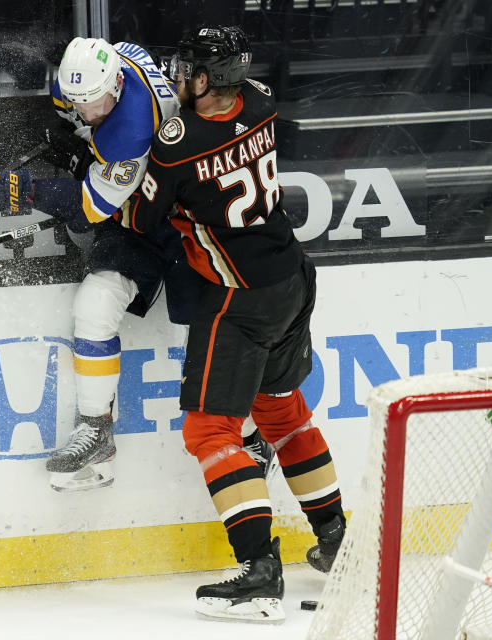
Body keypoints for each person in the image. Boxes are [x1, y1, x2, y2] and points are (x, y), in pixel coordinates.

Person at [0, 36, 276, 492]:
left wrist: (20, 189)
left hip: (188, 220)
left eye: (92, 105)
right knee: (94, 303)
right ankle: (95, 431)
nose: (84, 111)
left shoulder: (130, 133)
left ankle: (251, 436)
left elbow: (89, 208)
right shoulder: (112, 62)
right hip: (142, 210)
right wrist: (72, 134)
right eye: (77, 101)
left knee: (207, 337)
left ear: (114, 85)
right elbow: (72, 112)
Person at [127, 26, 346, 622]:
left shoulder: (177, 143)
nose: (180, 75)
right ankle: (336, 543)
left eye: (188, 68)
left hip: (240, 298)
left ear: (205, 79)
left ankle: (258, 571)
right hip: (292, 278)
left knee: (210, 432)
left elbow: (142, 218)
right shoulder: (260, 100)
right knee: (281, 411)